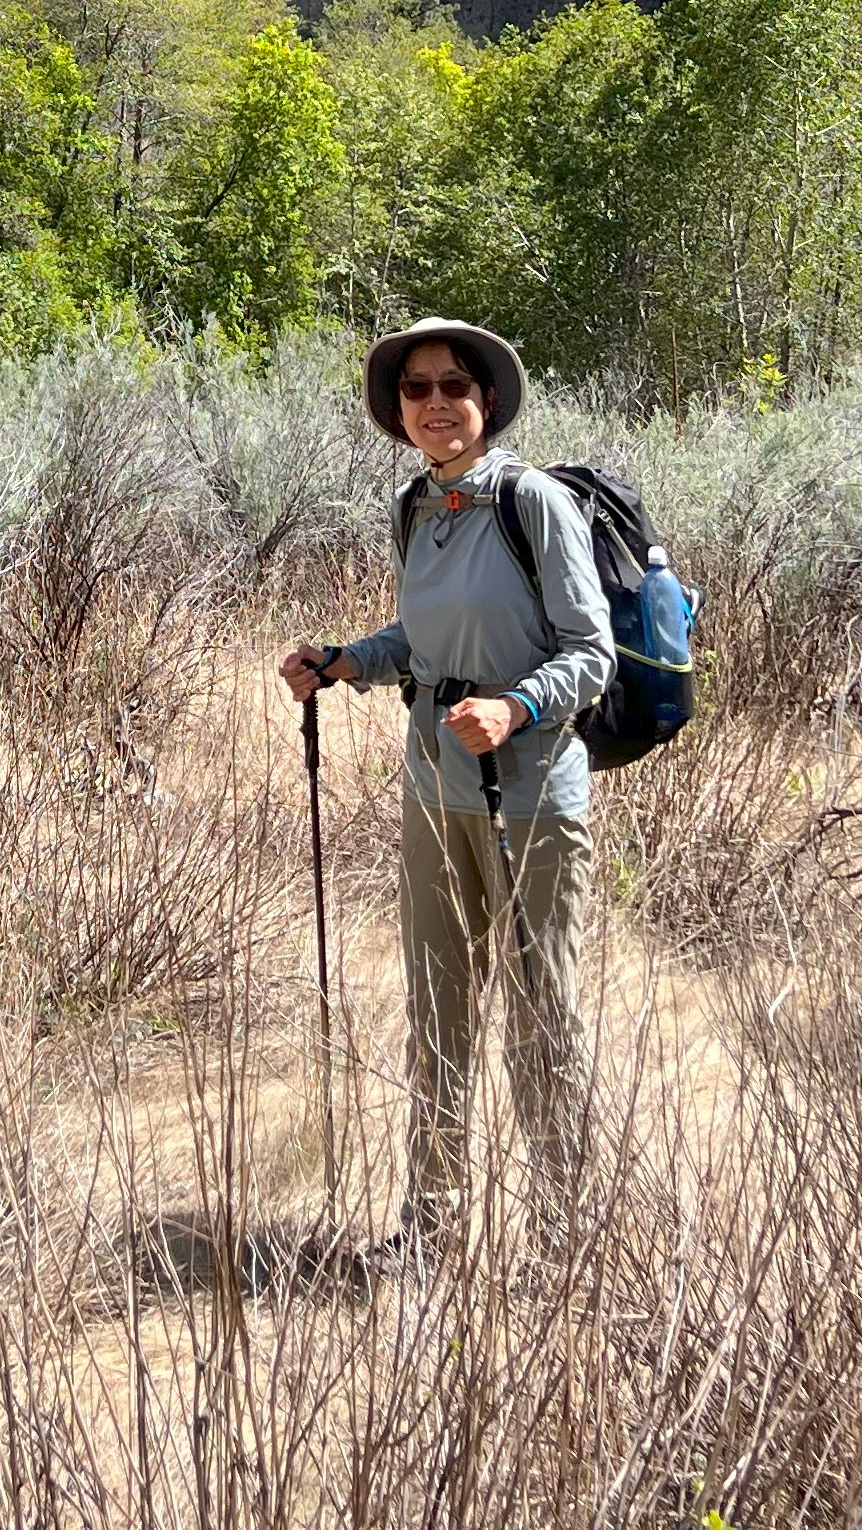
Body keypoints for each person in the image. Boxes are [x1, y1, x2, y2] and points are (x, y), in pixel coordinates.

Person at [280, 317, 611, 1237]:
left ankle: (568, 1229)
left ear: (488, 402)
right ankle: (431, 1219)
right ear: (398, 408)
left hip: (533, 793)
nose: (436, 403)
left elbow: (592, 653)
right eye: (417, 388)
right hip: (434, 790)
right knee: (439, 1008)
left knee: (543, 1015)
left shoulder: (532, 503)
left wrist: (514, 708)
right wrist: (348, 660)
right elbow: (422, 648)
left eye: (454, 386)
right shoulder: (413, 508)